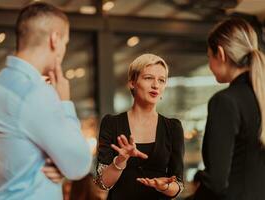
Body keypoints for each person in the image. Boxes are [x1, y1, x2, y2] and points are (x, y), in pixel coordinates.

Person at [0, 2, 92, 200]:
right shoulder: (34, 93)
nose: (63, 50)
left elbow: (19, 153)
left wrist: (60, 164)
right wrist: (65, 103)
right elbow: (79, 165)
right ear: (55, 39)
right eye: (66, 42)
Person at [94, 54, 185, 200]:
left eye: (161, 80)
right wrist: (121, 160)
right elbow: (102, 183)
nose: (156, 85)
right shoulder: (111, 123)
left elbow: (178, 185)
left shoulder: (173, 128)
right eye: (148, 78)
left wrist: (165, 187)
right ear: (132, 82)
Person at [193, 18, 265, 200]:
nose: (209, 65)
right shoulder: (259, 98)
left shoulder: (225, 102)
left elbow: (216, 183)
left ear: (221, 54)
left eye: (209, 56)